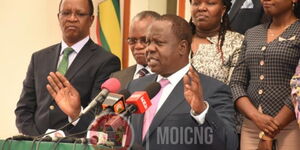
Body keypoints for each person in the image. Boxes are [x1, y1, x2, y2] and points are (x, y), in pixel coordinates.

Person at [47, 14, 237, 150]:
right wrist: (76, 114)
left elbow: (228, 144)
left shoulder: (212, 90)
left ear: (182, 47)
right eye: (148, 42)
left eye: (159, 43)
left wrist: (201, 110)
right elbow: (104, 133)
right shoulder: (134, 87)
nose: (149, 49)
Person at [14, 0, 120, 136]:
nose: (72, 18)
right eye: (66, 13)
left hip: (74, 144)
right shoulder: (39, 58)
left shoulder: (107, 61)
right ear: (59, 17)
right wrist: (38, 140)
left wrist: (76, 114)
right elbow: (24, 109)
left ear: (91, 20)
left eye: (80, 14)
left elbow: (101, 117)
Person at [230, 0, 300, 149]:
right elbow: (236, 82)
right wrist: (256, 117)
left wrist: (272, 129)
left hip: (291, 124)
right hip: (252, 125)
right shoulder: (252, 33)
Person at [189, 0, 244, 85]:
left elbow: (235, 87)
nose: (201, 8)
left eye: (210, 3)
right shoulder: (179, 39)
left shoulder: (237, 42)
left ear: (223, 10)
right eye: (196, 3)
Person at [110, 11, 160, 90]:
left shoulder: (167, 78)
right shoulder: (117, 78)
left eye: (144, 40)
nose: (138, 46)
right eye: (132, 41)